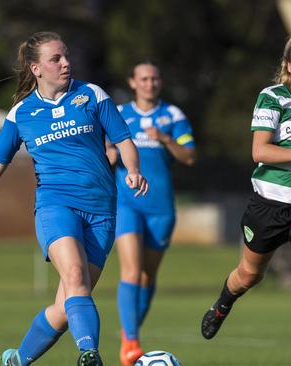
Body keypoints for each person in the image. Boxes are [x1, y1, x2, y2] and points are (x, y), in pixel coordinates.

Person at [0, 31, 148, 366]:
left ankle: (19, 359)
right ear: (36, 69)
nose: (66, 63)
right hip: (55, 205)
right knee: (75, 277)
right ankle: (89, 355)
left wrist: (133, 169)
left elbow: (123, 139)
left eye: (66, 56)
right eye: (56, 59)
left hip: (102, 210)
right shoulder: (21, 113)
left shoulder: (91, 95)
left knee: (67, 307)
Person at [199, 33, 291, 366]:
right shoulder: (272, 97)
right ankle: (222, 304)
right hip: (268, 204)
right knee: (250, 275)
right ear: (288, 67)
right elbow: (259, 151)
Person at [106, 61, 196, 366]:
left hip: (161, 208)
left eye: (155, 78)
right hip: (127, 203)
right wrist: (109, 153)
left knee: (147, 276)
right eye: (143, 78)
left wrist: (165, 139)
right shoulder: (118, 113)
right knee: (130, 271)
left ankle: (129, 333)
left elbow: (190, 156)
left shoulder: (173, 116)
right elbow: (106, 149)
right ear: (133, 82)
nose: (150, 83)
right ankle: (131, 343)